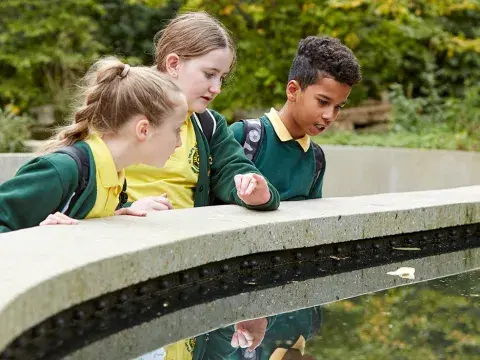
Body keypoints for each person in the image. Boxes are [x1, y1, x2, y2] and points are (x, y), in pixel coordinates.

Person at [0, 57, 188, 233]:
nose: (179, 142)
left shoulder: (113, 176)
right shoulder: (63, 171)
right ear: (144, 130)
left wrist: (123, 210)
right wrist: (37, 235)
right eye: (177, 129)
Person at [125, 11, 280, 213]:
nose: (217, 88)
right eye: (209, 74)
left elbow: (233, 169)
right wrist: (126, 209)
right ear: (173, 64)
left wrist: (258, 193)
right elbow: (85, 183)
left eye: (222, 78)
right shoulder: (119, 109)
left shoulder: (210, 125)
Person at [230, 36, 362, 200]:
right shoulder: (244, 136)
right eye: (322, 101)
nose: (329, 116)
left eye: (338, 107)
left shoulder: (316, 159)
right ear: (293, 91)